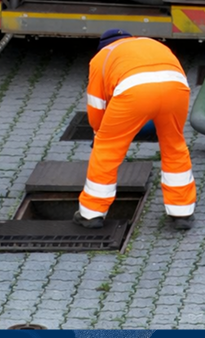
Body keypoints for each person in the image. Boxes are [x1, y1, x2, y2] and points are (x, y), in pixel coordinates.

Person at [73, 29, 196, 230]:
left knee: (107, 149)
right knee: (174, 144)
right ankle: (181, 212)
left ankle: (91, 213)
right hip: (176, 88)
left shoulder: (101, 57)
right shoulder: (152, 43)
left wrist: (99, 133)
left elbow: (96, 104)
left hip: (134, 92)